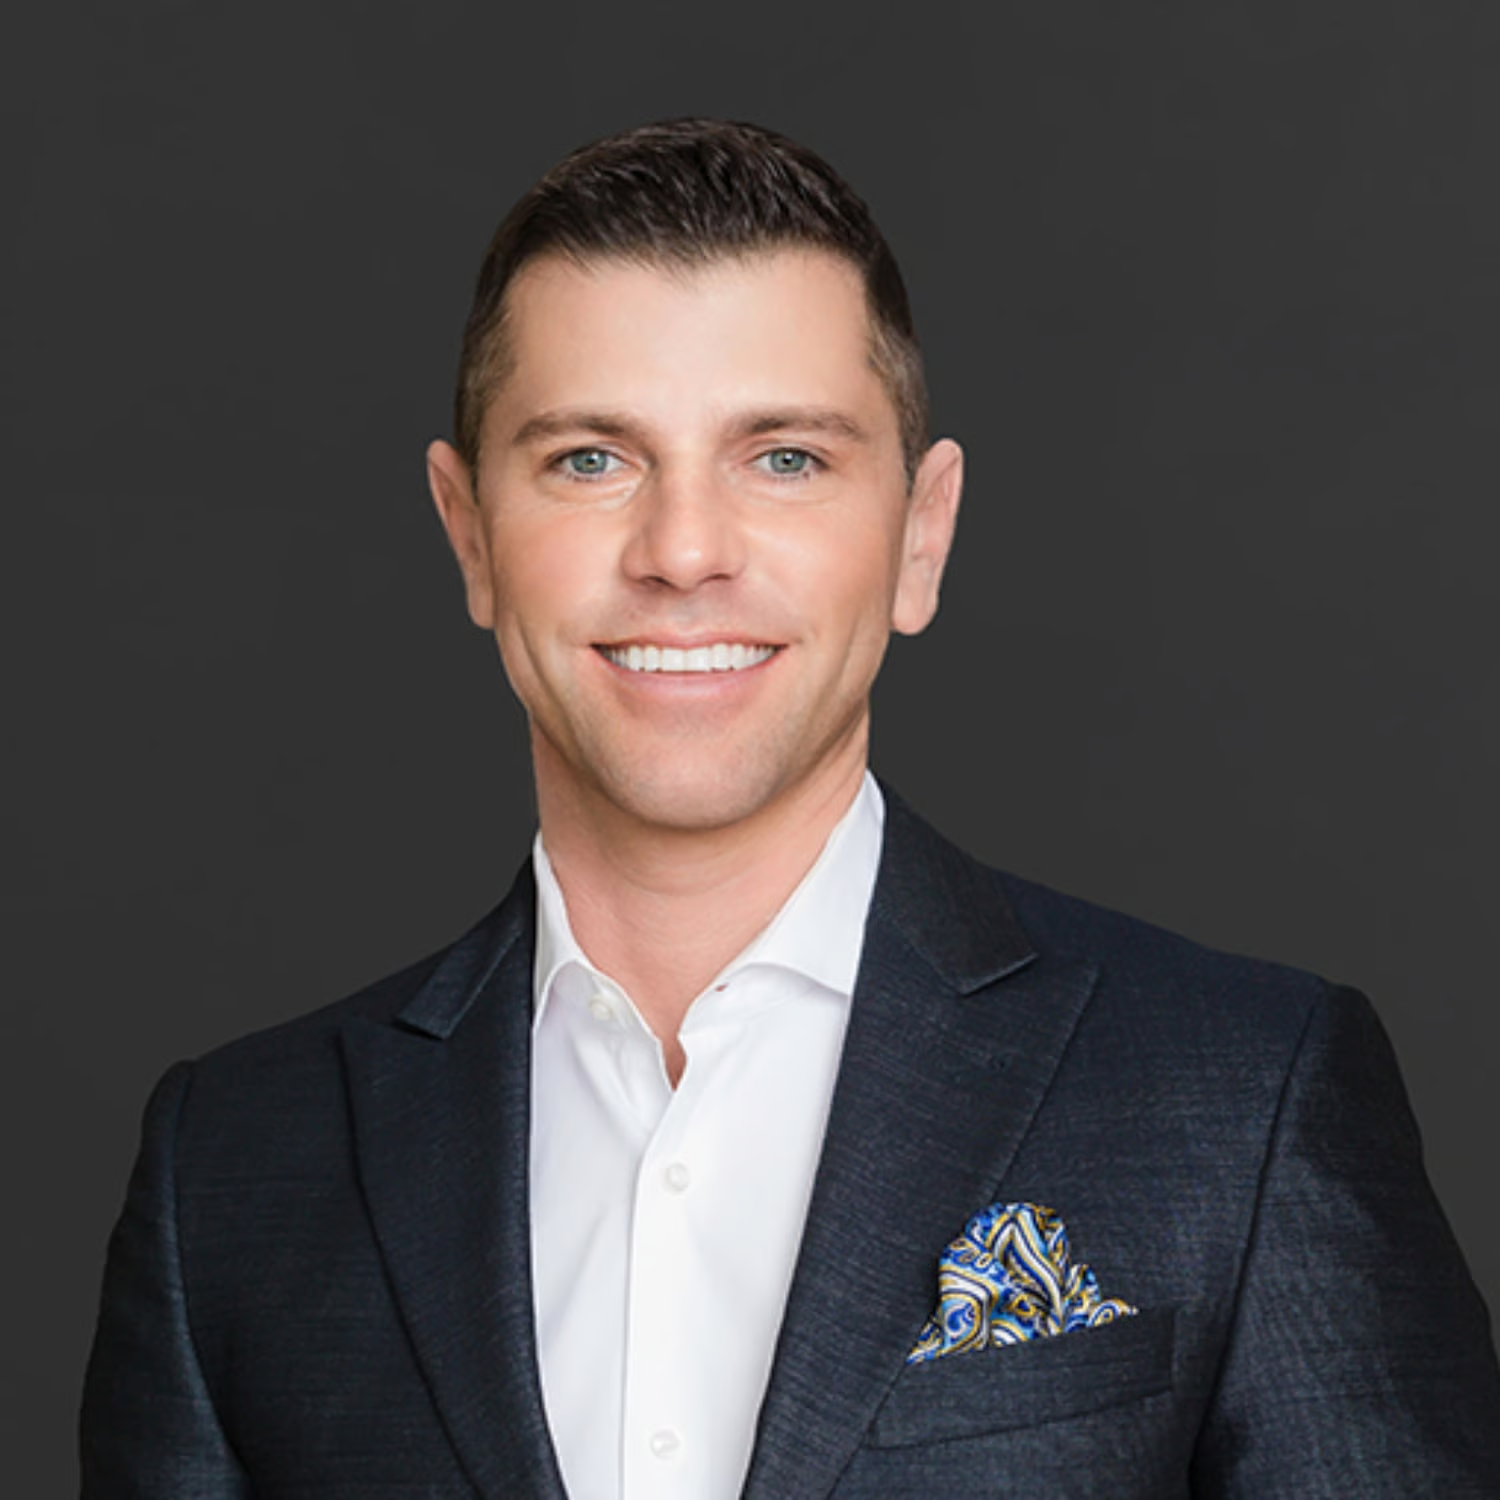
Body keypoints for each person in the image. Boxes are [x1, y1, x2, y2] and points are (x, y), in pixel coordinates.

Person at [81, 117, 1500, 1498]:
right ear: (471, 538)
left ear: (920, 537)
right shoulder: (236, 1171)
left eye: (786, 459)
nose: (684, 551)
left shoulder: (1242, 1099)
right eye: (591, 458)